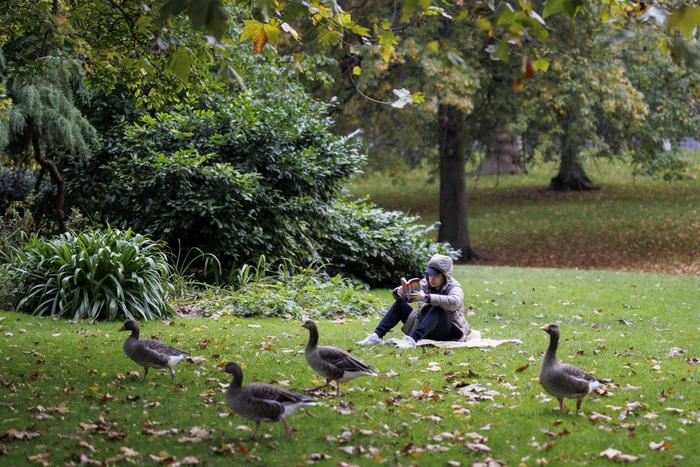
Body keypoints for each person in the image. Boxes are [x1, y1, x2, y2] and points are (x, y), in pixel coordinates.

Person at [357, 254, 469, 349]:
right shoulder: (425, 282)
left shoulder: (454, 286)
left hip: (447, 332)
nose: (431, 278)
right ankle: (376, 336)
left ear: (445, 276)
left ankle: (411, 340)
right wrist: (400, 292)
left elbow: (455, 302)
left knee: (437, 308)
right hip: (425, 326)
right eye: (429, 274)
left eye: (436, 275)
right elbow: (410, 298)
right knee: (400, 304)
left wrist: (426, 297)